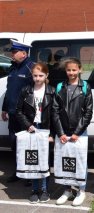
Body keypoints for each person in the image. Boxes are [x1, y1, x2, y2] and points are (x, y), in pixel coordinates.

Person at [52, 57, 93, 206]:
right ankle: (67, 190)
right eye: (69, 70)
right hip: (63, 132)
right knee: (65, 161)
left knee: (80, 162)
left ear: (80, 70)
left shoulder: (85, 87)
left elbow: (88, 113)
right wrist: (60, 132)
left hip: (79, 133)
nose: (71, 72)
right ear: (65, 71)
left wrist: (77, 132)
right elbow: (55, 111)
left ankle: (81, 190)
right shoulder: (60, 87)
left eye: (74, 70)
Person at [15, 62, 55, 203]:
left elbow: (55, 115)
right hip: (31, 128)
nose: (37, 78)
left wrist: (52, 134)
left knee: (44, 160)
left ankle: (44, 189)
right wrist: (27, 125)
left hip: (45, 128)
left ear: (46, 75)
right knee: (32, 159)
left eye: (40, 75)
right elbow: (18, 111)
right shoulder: (26, 90)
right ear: (31, 76)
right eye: (35, 75)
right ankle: (34, 189)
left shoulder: (51, 91)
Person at [1, 39, 34, 183]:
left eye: (14, 52)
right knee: (14, 144)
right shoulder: (13, 68)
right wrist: (4, 109)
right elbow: (9, 91)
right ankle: (18, 171)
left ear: (24, 53)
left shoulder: (31, 68)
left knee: (27, 145)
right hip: (12, 113)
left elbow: (35, 92)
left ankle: (28, 175)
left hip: (25, 115)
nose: (12, 55)